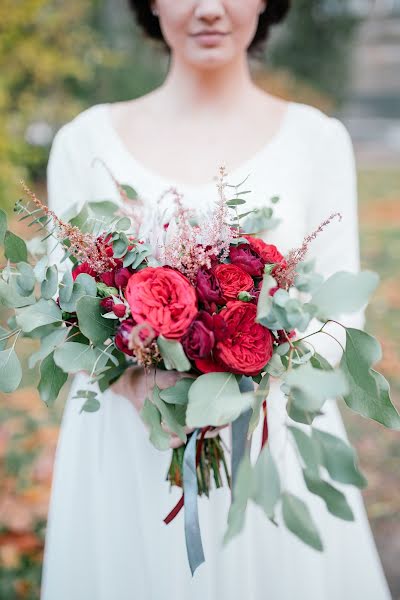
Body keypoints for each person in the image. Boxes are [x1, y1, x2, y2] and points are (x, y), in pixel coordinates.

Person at [40, 1, 392, 599]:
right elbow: (63, 304)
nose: (209, 8)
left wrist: (250, 375)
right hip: (130, 446)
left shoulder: (317, 140)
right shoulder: (85, 142)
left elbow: (338, 314)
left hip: (268, 442)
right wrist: (136, 381)